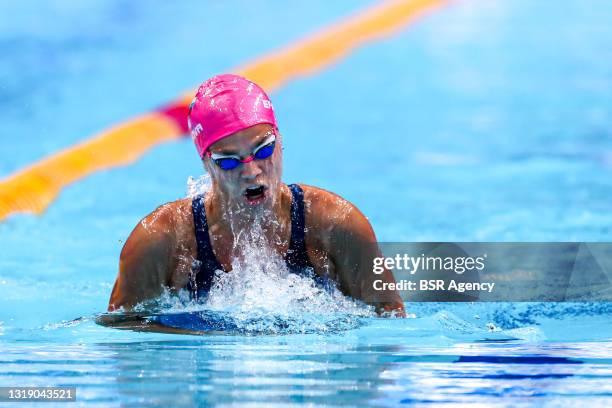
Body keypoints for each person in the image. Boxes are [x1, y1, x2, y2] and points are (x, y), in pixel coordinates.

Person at [108, 74, 404, 315]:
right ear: (206, 164)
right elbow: (123, 342)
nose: (251, 172)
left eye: (263, 150)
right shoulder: (161, 243)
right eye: (229, 161)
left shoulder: (336, 227)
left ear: (281, 140)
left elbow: (391, 326)